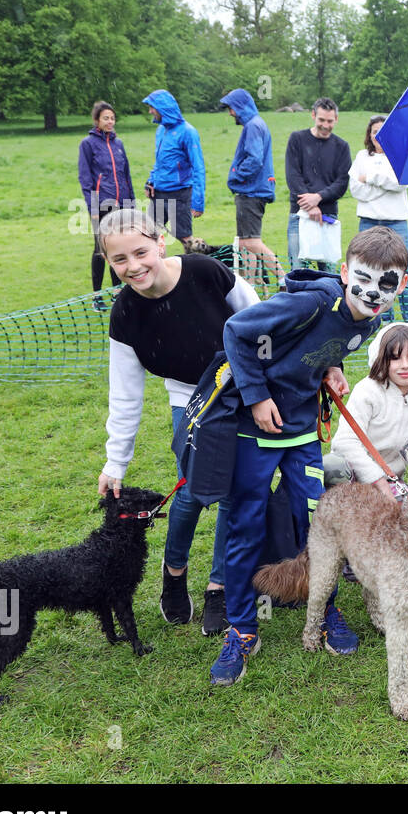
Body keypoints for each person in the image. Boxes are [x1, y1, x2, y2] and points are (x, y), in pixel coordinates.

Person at [209, 226, 408, 686]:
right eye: (364, 278)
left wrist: (331, 368)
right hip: (253, 428)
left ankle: (323, 608)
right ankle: (241, 627)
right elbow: (237, 332)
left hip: (302, 431)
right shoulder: (312, 301)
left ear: (400, 286)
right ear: (344, 273)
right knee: (246, 524)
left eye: (388, 283)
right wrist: (258, 398)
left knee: (322, 523)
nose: (374, 292)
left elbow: (324, 345)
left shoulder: (372, 319)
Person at [96, 208, 260, 636]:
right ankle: (174, 572)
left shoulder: (208, 272)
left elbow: (262, 321)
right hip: (190, 399)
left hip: (242, 389)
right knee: (192, 490)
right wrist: (116, 462)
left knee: (234, 492)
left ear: (160, 243)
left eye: (140, 252)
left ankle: (219, 586)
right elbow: (125, 394)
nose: (133, 266)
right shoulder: (125, 314)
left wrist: (270, 384)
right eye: (119, 260)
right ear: (108, 262)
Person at [324, 322, 408, 496]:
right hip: (356, 474)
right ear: (380, 359)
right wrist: (376, 479)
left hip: (393, 478)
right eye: (395, 358)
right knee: (332, 464)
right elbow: (345, 443)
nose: (405, 365)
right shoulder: (367, 391)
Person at [350, 115, 408, 322]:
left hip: (396, 223)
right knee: (372, 274)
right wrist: (384, 186)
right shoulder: (361, 157)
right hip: (369, 222)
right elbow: (356, 190)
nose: (378, 135)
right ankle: (383, 322)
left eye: (383, 131)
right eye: (375, 131)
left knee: (401, 274)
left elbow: (401, 184)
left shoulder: (399, 156)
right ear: (370, 134)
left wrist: (370, 178)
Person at [220, 88, 284, 286]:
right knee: (244, 242)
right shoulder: (256, 124)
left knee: (251, 242)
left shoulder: (253, 126)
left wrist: (235, 176)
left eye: (231, 108)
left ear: (240, 107)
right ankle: (251, 285)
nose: (231, 113)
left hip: (251, 191)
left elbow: (254, 160)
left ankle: (284, 278)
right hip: (253, 191)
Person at [78, 101, 136, 309]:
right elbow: (85, 179)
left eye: (112, 118)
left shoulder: (118, 144)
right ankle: (96, 296)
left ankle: (117, 291)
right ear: (96, 121)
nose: (110, 121)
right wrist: (93, 208)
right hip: (102, 205)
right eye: (105, 118)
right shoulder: (88, 144)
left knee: (118, 247)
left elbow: (126, 175)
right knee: (100, 250)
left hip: (122, 204)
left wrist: (131, 204)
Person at [284, 97, 351, 275]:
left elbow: (342, 182)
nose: (325, 125)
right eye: (321, 120)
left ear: (336, 119)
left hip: (328, 217)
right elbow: (293, 175)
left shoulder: (342, 147)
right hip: (299, 215)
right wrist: (309, 205)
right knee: (298, 272)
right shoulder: (297, 139)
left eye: (330, 121)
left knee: (329, 274)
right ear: (313, 115)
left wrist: (318, 197)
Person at [142, 89, 205, 248]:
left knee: (186, 240)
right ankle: (158, 271)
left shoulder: (188, 132)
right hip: (159, 193)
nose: (150, 111)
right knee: (149, 235)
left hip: (179, 194)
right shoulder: (161, 130)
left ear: (162, 108)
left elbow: (198, 167)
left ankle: (202, 269)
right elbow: (160, 162)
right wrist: (151, 181)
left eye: (152, 107)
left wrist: (198, 202)